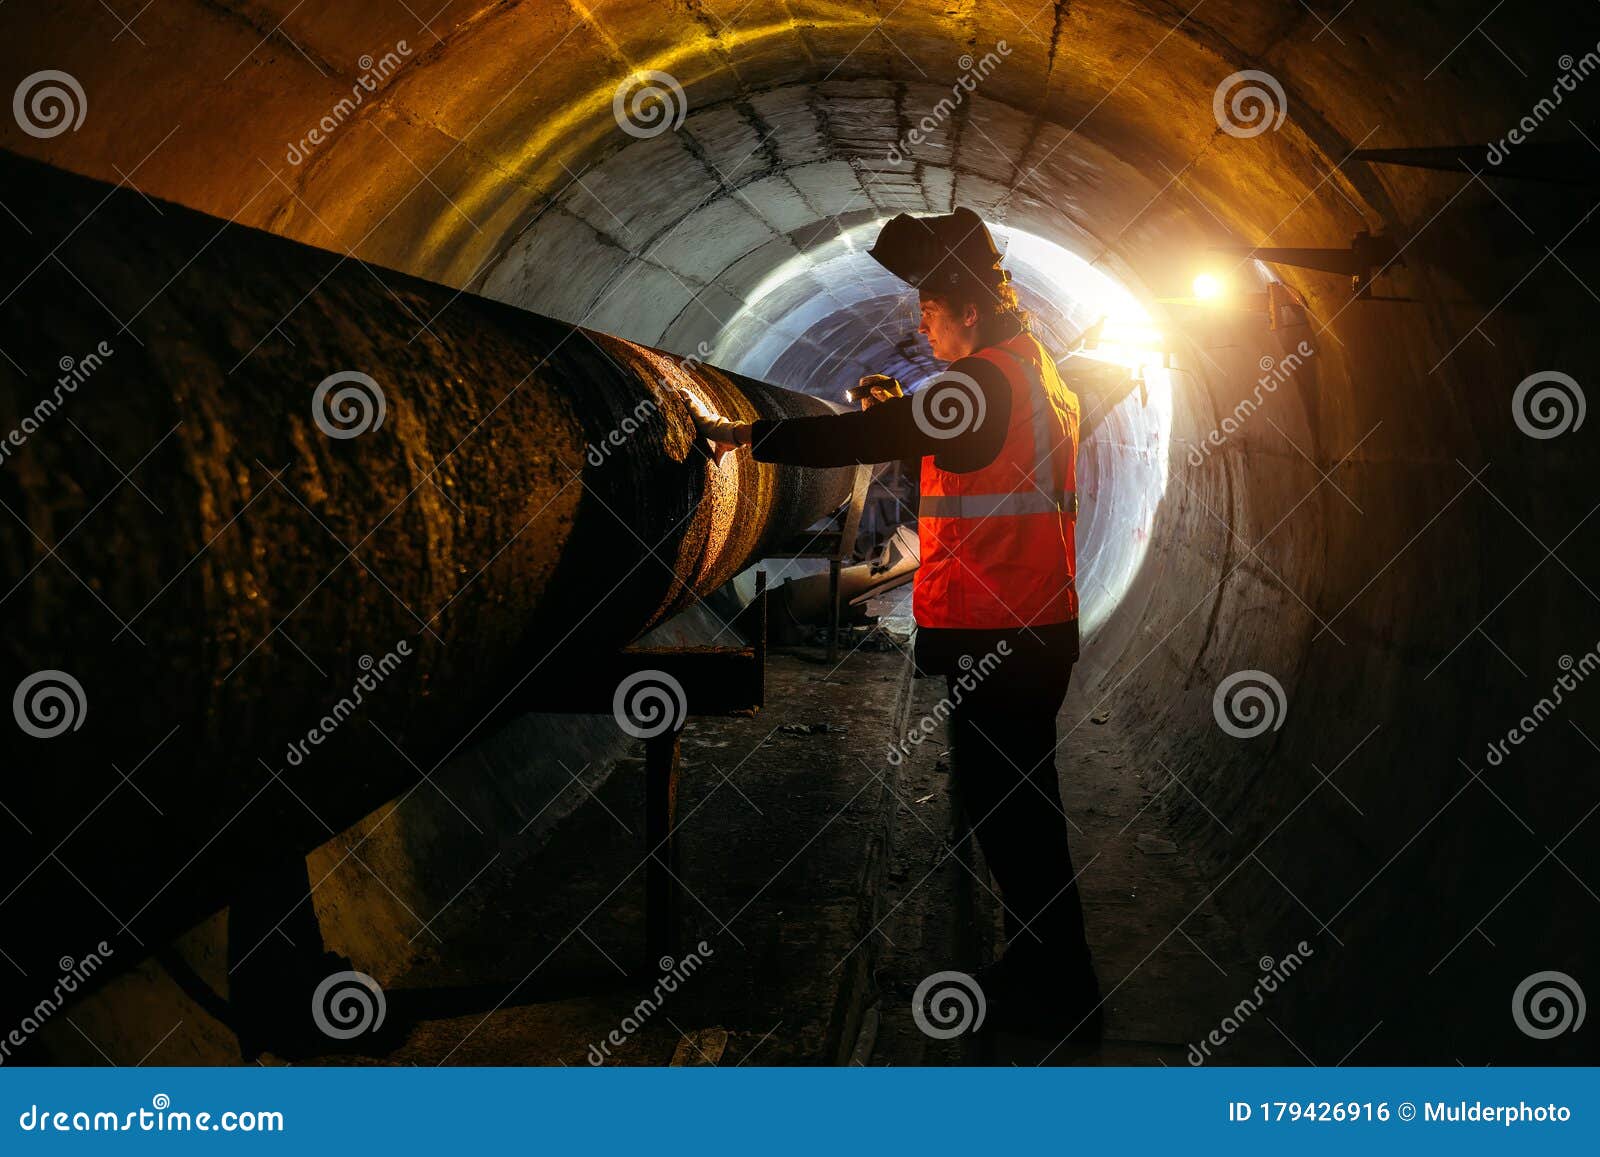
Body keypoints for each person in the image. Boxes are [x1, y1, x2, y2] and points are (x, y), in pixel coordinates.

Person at [695, 207, 1100, 1039]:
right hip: (1030, 622)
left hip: (1002, 631)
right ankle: (1044, 971)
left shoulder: (984, 380)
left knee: (1014, 820)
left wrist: (754, 436)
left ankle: (1058, 994)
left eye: (929, 311)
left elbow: (878, 429)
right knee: (1020, 813)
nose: (922, 324)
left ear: (971, 312)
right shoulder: (1036, 371)